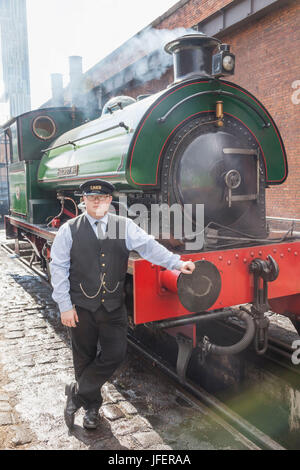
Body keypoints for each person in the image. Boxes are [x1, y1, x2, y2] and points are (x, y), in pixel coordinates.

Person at [50, 179, 195, 430]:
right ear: (83, 200)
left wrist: (176, 263)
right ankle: (92, 409)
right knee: (83, 358)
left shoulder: (124, 226)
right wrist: (64, 305)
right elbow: (59, 268)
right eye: (91, 198)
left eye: (102, 198)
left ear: (109, 200)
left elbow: (149, 247)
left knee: (115, 354)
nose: (97, 202)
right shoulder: (68, 230)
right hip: (81, 307)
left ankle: (77, 393)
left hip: (113, 307)